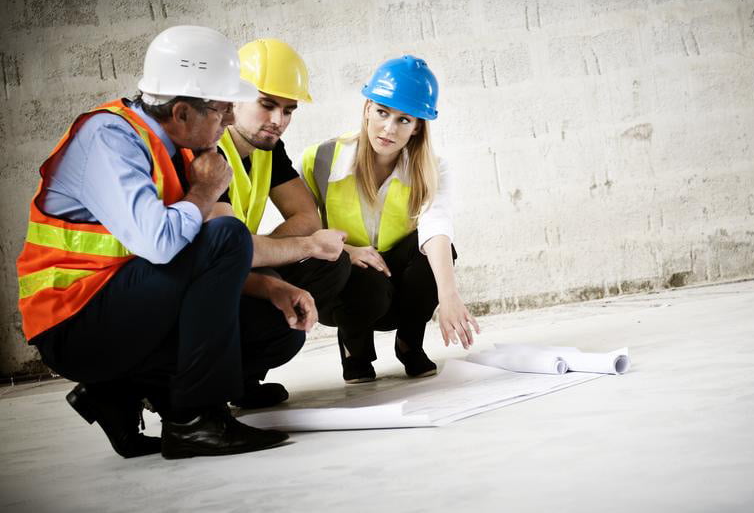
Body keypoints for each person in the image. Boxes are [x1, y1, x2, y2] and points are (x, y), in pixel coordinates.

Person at [15, 25, 297, 459]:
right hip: (73, 322)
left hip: (123, 305)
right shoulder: (109, 138)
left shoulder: (184, 146)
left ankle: (118, 392)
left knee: (267, 320)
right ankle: (196, 421)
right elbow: (163, 245)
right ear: (182, 112)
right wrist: (203, 192)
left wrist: (273, 286)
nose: (227, 120)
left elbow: (204, 264)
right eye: (221, 109)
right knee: (225, 237)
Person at [301, 56, 480, 384]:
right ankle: (355, 350)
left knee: (438, 253)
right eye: (382, 112)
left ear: (417, 128)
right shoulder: (322, 158)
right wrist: (349, 253)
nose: (389, 128)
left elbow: (436, 227)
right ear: (367, 108)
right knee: (365, 282)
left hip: (398, 285)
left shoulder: (431, 168)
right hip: (348, 284)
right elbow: (305, 229)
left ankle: (409, 344)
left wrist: (448, 295)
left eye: (403, 120)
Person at [211, 38, 350, 409]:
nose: (278, 121)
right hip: (199, 283)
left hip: (233, 268)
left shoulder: (267, 146)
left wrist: (261, 256)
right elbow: (225, 250)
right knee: (283, 326)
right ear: (232, 98)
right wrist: (281, 250)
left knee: (333, 263)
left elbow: (306, 217)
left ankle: (240, 379)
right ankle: (185, 389)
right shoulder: (208, 148)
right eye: (267, 105)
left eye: (288, 110)